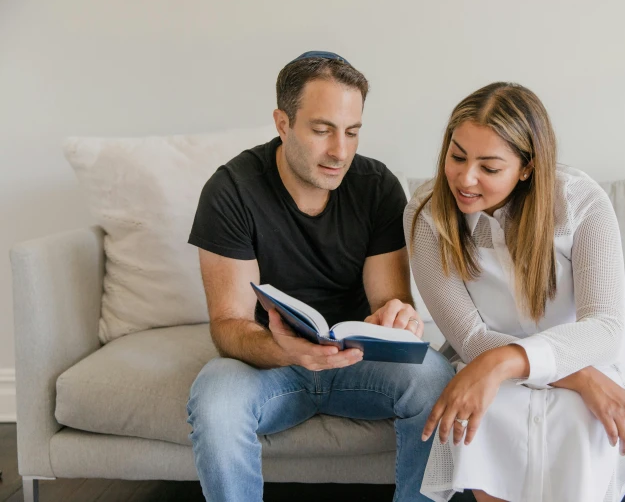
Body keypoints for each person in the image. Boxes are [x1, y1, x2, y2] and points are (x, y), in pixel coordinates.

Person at [404, 82, 625, 502]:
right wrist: (579, 380)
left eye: (489, 167)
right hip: (489, 355)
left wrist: (575, 371)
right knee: (490, 414)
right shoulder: (427, 213)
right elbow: (471, 338)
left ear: (527, 166)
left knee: (581, 420)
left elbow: (605, 329)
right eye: (457, 156)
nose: (465, 178)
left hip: (587, 351)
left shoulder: (580, 202)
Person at [186, 51, 454, 502]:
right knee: (214, 401)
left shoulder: (377, 187)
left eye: (351, 132)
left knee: (435, 377)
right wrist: (281, 349)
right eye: (322, 130)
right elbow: (228, 325)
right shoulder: (230, 190)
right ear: (283, 123)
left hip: (355, 360)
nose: (340, 151)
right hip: (269, 363)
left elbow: (387, 299)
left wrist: (395, 318)